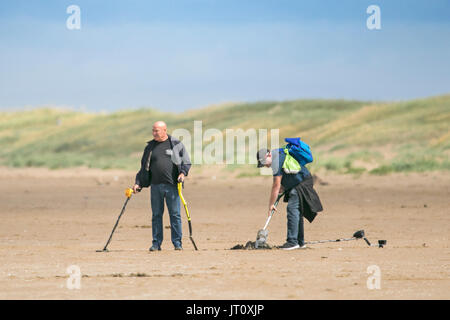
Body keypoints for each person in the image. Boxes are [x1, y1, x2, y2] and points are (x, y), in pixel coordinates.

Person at [133, 121, 191, 251]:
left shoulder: (175, 144)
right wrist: (138, 183)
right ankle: (156, 243)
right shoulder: (150, 147)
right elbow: (144, 168)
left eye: (156, 131)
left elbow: (186, 162)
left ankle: (177, 243)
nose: (154, 133)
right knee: (156, 215)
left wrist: (183, 173)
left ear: (164, 130)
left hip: (172, 186)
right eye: (153, 130)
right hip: (155, 187)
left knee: (175, 215)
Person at [256, 146, 323, 250]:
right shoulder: (277, 156)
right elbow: (283, 179)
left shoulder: (276, 160)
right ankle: (300, 242)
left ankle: (292, 242)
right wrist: (284, 186)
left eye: (264, 163)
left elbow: (276, 185)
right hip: (298, 183)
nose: (265, 166)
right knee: (297, 211)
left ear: (268, 155)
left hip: (302, 183)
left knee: (292, 209)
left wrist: (271, 205)